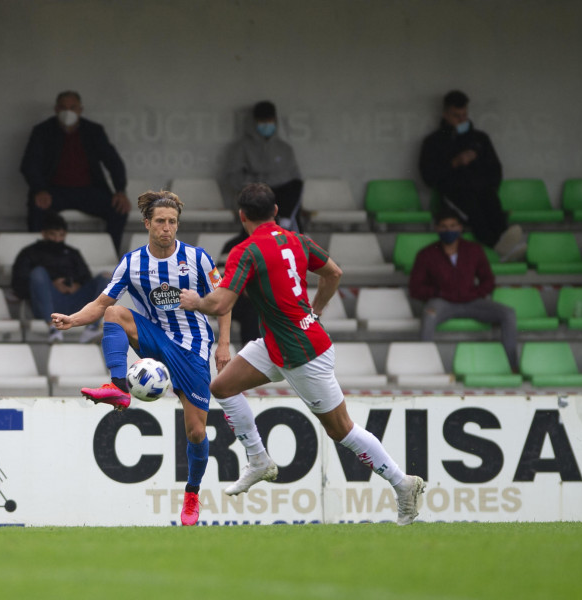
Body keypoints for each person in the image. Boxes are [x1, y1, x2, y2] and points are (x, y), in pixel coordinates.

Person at [179, 183, 426, 526]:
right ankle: (259, 460)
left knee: (341, 430)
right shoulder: (297, 240)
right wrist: (316, 310)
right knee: (221, 387)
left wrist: (195, 301)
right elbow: (334, 273)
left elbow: (221, 302)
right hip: (278, 343)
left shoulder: (246, 251)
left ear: (242, 216)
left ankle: (404, 484)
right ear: (276, 211)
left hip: (302, 353)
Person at [50, 190, 277, 526]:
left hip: (192, 346)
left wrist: (224, 345)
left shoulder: (197, 259)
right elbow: (100, 305)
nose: (167, 228)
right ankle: (118, 387)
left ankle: (192, 495)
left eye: (172, 222)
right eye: (160, 222)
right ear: (147, 223)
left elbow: (223, 301)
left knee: (196, 431)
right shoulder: (132, 263)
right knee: (115, 312)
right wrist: (72, 318)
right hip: (156, 339)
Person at [419, 90, 525, 262]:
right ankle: (501, 247)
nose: (461, 120)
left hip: (482, 190)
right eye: (456, 116)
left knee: (490, 199)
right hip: (453, 194)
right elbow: (428, 177)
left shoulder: (480, 139)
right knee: (472, 207)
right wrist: (454, 163)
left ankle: (505, 245)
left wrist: (486, 184)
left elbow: (495, 169)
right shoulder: (433, 142)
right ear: (445, 115)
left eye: (464, 115)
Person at [20, 91, 130, 252]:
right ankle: (38, 255)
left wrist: (120, 190)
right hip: (54, 191)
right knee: (37, 208)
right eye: (63, 108)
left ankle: (109, 253)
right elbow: (29, 164)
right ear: (56, 109)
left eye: (72, 107)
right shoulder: (42, 131)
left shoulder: (93, 131)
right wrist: (39, 189)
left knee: (119, 209)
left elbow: (113, 161)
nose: (68, 112)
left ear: (80, 110)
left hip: (89, 191)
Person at [409, 209, 519, 370]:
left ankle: (512, 367)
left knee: (508, 314)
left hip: (472, 301)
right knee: (428, 315)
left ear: (460, 228)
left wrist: (475, 293)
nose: (449, 230)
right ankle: (425, 366)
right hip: (442, 302)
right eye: (444, 226)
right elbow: (415, 288)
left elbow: (488, 280)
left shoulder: (473, 250)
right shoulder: (426, 254)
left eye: (453, 226)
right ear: (437, 229)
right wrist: (438, 293)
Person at [11, 211, 109, 343]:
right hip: (48, 303)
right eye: (53, 235)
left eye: (61, 235)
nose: (57, 240)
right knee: (38, 273)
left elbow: (87, 278)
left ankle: (91, 329)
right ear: (44, 233)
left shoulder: (72, 253)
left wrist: (76, 285)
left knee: (106, 278)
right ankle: (53, 328)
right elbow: (19, 284)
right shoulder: (30, 253)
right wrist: (52, 284)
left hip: (75, 302)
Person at [226, 101, 304, 232]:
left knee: (295, 187)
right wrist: (259, 181)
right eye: (263, 121)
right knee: (257, 197)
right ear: (255, 122)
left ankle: (285, 223)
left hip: (280, 196)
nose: (267, 125)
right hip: (256, 194)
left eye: (270, 121)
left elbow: (294, 177)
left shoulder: (284, 149)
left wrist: (271, 180)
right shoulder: (242, 148)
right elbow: (234, 178)